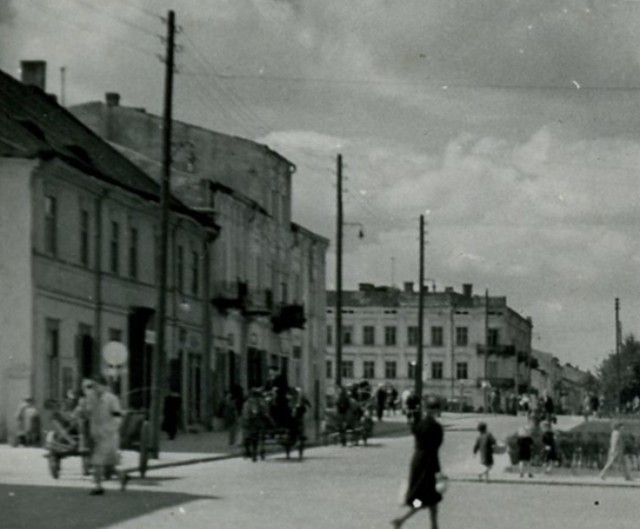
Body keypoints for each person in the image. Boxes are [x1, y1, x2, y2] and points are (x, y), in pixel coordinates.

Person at [391, 402, 444, 529]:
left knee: (426, 497)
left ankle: (406, 520)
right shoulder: (436, 427)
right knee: (428, 497)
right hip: (429, 463)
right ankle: (403, 520)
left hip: (417, 460)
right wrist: (437, 468)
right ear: (436, 410)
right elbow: (436, 446)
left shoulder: (418, 425)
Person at [77, 375, 123, 495]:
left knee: (99, 460)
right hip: (96, 434)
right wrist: (83, 412)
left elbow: (117, 417)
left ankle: (98, 486)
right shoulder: (91, 399)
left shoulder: (112, 399)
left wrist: (108, 429)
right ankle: (121, 477)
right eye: (93, 386)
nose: (95, 388)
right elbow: (88, 414)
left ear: (104, 386)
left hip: (109, 435)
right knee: (104, 463)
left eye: (97, 385)